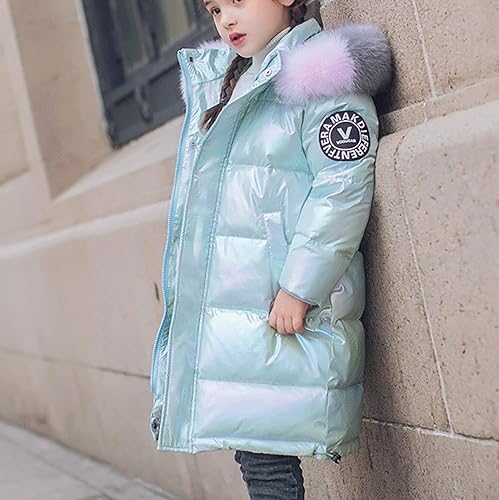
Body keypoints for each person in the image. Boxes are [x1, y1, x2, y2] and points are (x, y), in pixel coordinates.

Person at [149, 0, 392, 498]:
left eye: (237, 2)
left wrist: (300, 287)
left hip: (285, 309)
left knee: (265, 461)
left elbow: (341, 187)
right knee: (254, 451)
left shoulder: (319, 80)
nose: (225, 20)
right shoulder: (231, 83)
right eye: (214, 9)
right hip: (242, 314)